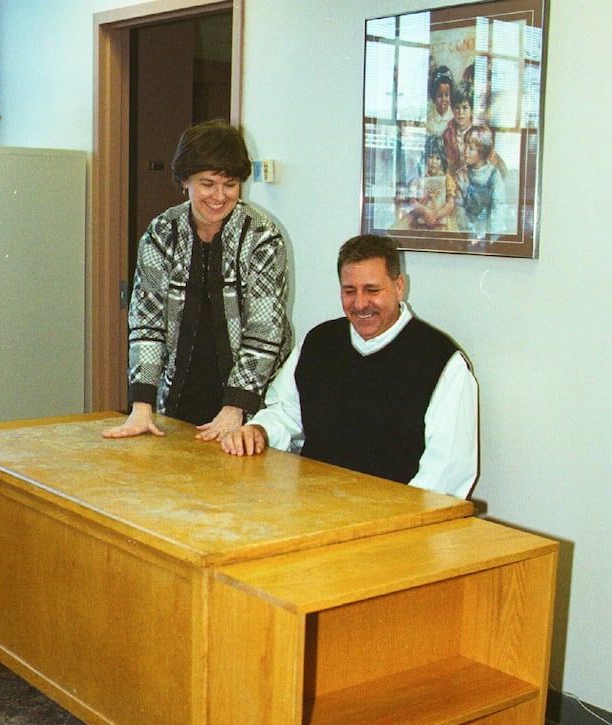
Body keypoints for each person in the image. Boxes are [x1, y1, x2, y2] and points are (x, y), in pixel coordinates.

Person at [220, 234, 478, 499]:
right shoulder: (319, 342)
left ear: (399, 286)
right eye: (349, 291)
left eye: (373, 290)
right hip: (312, 508)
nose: (360, 304)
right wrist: (259, 431)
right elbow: (286, 413)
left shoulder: (442, 363)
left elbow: (444, 478)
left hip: (392, 524)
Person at [103, 120, 292, 442]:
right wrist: (142, 403)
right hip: (179, 394)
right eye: (207, 183)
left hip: (250, 400)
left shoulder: (263, 237)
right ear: (184, 181)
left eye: (230, 184)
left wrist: (235, 408)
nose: (219, 196)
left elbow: (264, 332)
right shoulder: (162, 232)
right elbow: (146, 324)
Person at [456, 125, 507, 236]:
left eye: (471, 149)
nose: (466, 152)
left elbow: (498, 206)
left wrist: (491, 233)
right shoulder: (461, 174)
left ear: (482, 151)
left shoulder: (494, 175)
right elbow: (458, 206)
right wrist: (467, 230)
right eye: (465, 147)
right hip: (467, 230)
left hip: (488, 230)